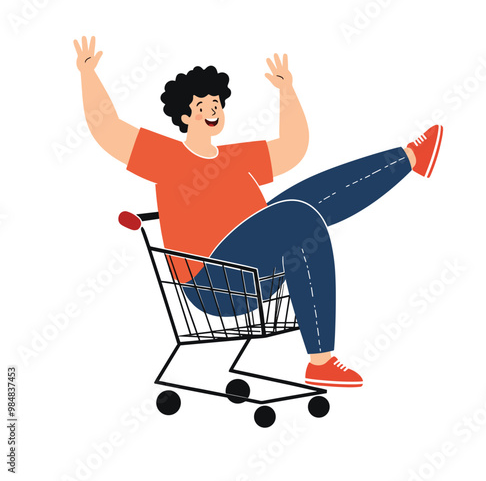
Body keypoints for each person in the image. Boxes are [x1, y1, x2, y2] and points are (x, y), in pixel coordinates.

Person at [74, 36, 443, 388]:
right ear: (185, 116)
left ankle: (410, 157)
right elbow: (109, 130)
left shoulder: (236, 157)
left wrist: (286, 93)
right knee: (297, 216)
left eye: (217, 104)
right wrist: (88, 75)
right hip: (213, 283)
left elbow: (292, 148)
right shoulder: (166, 157)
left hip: (257, 270)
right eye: (203, 106)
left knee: (306, 200)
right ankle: (321, 362)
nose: (212, 112)